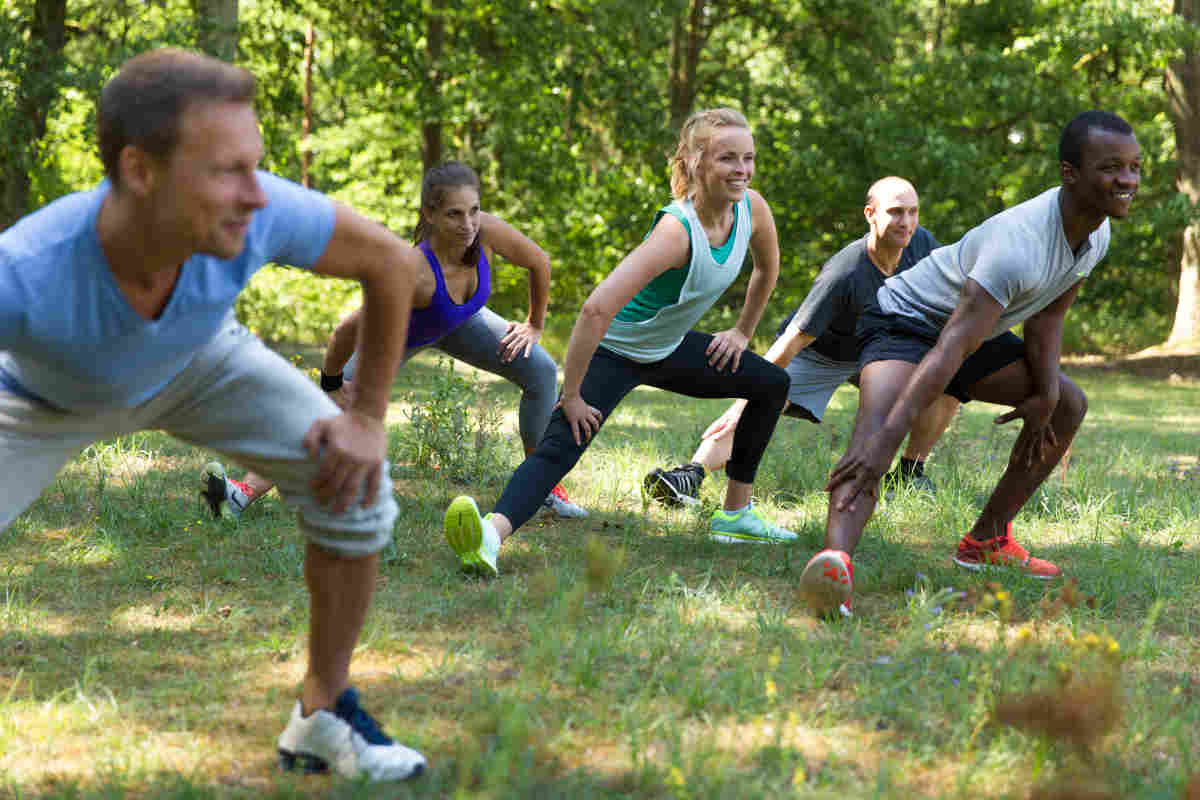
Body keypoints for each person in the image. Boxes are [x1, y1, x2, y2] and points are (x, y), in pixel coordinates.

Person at [0, 49, 428, 781]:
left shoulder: (260, 210)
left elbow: (392, 263)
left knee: (358, 488)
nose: (256, 195)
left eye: (256, 165)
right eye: (228, 170)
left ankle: (320, 717)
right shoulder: (27, 270)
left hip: (200, 361)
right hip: (47, 398)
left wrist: (369, 417)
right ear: (140, 170)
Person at [797, 110, 1140, 618]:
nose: (1127, 180)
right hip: (904, 322)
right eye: (1111, 167)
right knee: (874, 438)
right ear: (1071, 173)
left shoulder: (1097, 233)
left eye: (1134, 167)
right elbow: (949, 348)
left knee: (1068, 404)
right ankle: (834, 567)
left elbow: (1048, 316)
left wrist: (1044, 392)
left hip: (969, 336)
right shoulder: (1018, 244)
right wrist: (891, 440)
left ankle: (986, 541)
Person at [440, 107, 795, 574]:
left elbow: (767, 269)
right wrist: (571, 395)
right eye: (728, 158)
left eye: (748, 158)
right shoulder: (676, 232)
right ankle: (490, 535)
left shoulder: (753, 209)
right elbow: (596, 308)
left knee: (770, 383)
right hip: (616, 352)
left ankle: (735, 515)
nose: (742, 170)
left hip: (668, 347)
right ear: (695, 162)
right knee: (562, 445)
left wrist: (743, 331)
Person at [200, 161, 588, 521]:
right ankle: (239, 494)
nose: (468, 223)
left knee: (539, 369)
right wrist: (333, 384)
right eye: (454, 214)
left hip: (461, 321)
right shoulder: (411, 274)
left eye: (473, 210)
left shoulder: (484, 231)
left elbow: (539, 261)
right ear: (430, 215)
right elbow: (345, 333)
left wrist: (535, 324)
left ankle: (540, 488)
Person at [643, 177, 960, 507]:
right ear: (871, 215)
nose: (906, 222)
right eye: (895, 212)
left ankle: (909, 473)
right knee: (761, 401)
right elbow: (795, 338)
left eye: (912, 212)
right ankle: (689, 476)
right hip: (820, 352)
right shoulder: (846, 271)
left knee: (951, 378)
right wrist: (741, 401)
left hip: (880, 348)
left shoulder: (922, 245)